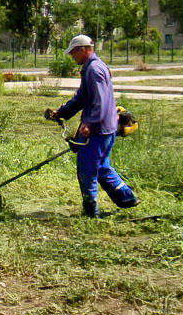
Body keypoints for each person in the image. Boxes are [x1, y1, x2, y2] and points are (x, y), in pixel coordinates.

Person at [48, 34, 138, 218]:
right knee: (101, 167)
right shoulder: (91, 67)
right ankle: (127, 197)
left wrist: (88, 124)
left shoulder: (94, 70)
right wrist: (62, 113)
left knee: (87, 168)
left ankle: (91, 210)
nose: (72, 56)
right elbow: (82, 97)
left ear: (83, 49)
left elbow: (100, 101)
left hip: (98, 129)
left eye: (73, 53)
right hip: (106, 126)